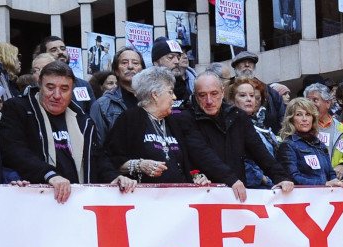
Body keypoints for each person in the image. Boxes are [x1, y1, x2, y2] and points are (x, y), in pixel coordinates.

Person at [0, 61, 135, 203]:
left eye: (64, 89)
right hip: (35, 201)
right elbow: (13, 150)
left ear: (72, 90)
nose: (57, 95)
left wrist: (114, 177)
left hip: (78, 203)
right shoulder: (17, 108)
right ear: (39, 85)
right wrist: (49, 174)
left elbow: (98, 158)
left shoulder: (83, 119)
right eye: (50, 87)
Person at [105, 66, 247, 201]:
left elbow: (189, 160)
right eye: (170, 92)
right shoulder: (130, 119)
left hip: (178, 202)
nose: (174, 97)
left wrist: (197, 176)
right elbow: (109, 159)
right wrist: (139, 165)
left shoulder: (173, 121)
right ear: (155, 95)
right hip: (144, 201)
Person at [182, 71, 293, 192]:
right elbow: (202, 154)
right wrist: (231, 179)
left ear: (222, 92)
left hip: (236, 192)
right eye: (202, 95)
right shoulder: (187, 118)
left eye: (214, 94)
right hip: (205, 192)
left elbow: (259, 150)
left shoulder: (238, 116)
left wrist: (280, 176)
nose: (209, 100)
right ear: (196, 96)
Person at [277, 98, 343, 187]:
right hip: (303, 197)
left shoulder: (319, 144)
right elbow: (293, 177)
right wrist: (323, 184)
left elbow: (331, 174)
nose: (304, 119)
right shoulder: (287, 145)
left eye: (308, 114)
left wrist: (338, 182)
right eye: (299, 114)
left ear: (313, 118)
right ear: (291, 119)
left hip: (324, 197)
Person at [227, 76, 282, 187]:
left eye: (252, 96)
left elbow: (267, 157)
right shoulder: (230, 126)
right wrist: (262, 179)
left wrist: (281, 178)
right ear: (232, 100)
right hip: (247, 188)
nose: (249, 99)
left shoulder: (261, 126)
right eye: (243, 95)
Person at [89, 47, 145, 144]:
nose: (130, 66)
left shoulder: (153, 99)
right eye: (124, 63)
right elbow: (99, 147)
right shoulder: (102, 105)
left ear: (142, 70)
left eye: (135, 63)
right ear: (116, 71)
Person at [304, 83, 343, 179]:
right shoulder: (304, 128)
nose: (310, 104)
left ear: (327, 103)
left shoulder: (341, 129)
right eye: (308, 101)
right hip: (312, 183)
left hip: (338, 183)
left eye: (315, 100)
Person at [231, 50, 286, 133]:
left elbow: (283, 117)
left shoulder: (269, 91)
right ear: (235, 68)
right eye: (243, 62)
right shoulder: (227, 90)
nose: (247, 65)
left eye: (250, 62)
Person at [37, 36, 96, 113]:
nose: (60, 52)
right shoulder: (37, 82)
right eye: (53, 50)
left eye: (63, 48)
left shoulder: (83, 85)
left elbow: (92, 113)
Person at [150, 37, 190, 108]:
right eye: (170, 57)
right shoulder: (147, 90)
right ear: (156, 63)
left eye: (178, 57)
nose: (177, 62)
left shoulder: (184, 87)